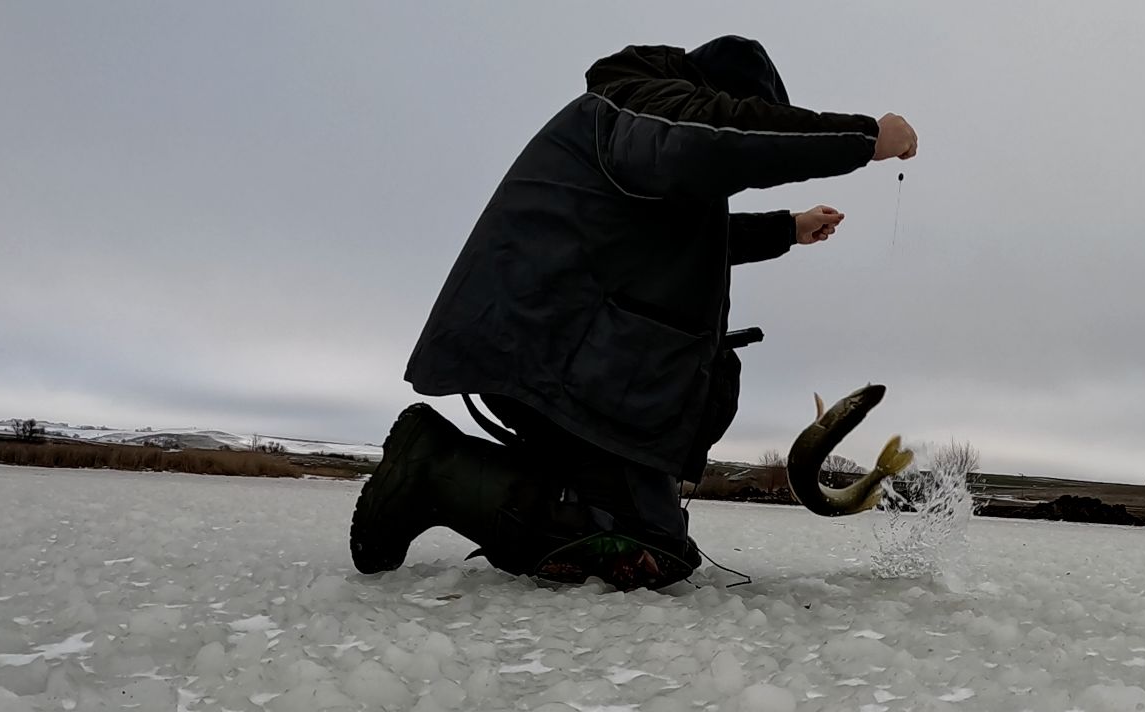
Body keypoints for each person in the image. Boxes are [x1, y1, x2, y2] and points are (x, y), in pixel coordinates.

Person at [350, 35, 917, 589]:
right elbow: (716, 139)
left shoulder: (645, 136)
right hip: (551, 350)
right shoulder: (642, 108)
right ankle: (434, 467)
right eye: (753, 118)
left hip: (561, 352)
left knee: (652, 537)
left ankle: (479, 481)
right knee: (644, 548)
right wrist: (867, 138)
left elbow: (681, 236)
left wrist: (786, 229)